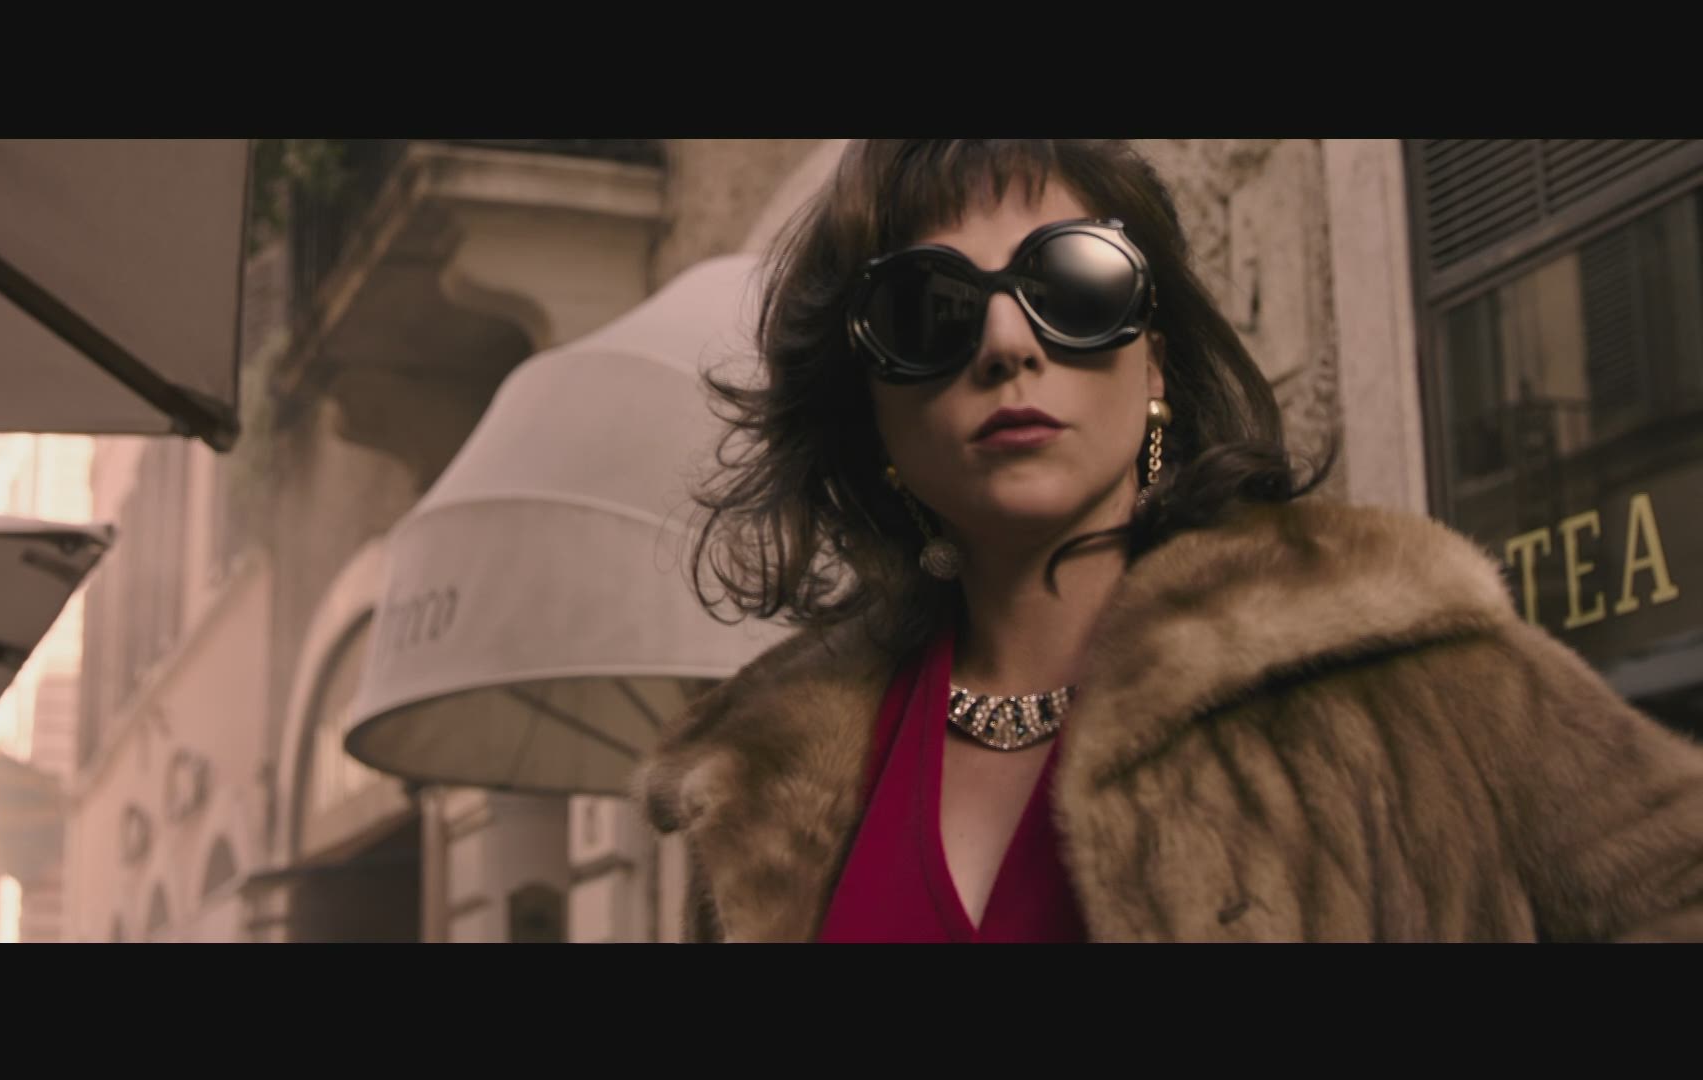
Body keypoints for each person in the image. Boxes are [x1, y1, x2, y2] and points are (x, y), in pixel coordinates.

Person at [632, 139, 1703, 942]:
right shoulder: (762, 789)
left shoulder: (1409, 673)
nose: (1006, 342)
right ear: (868, 409)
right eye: (925, 311)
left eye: (1074, 285)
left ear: (1154, 363)